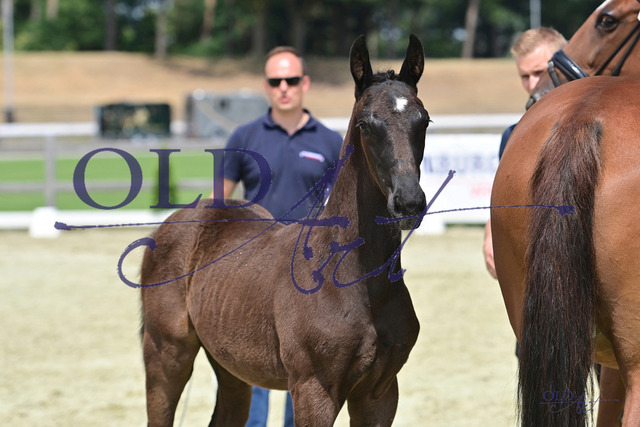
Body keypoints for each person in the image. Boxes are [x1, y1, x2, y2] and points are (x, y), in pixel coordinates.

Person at [214, 46, 343, 426]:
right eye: (275, 81)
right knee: (252, 370)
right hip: (255, 272)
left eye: (291, 79)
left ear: (305, 83)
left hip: (310, 274)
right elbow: (218, 206)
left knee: (307, 376)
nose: (283, 87)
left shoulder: (331, 142)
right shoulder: (244, 136)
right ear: (266, 86)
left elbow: (343, 209)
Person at [483, 27, 566, 280]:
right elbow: (505, 202)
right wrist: (491, 232)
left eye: (539, 73)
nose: (532, 85)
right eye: (524, 76)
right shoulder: (513, 136)